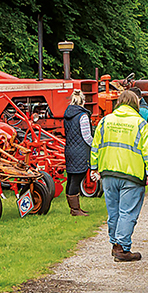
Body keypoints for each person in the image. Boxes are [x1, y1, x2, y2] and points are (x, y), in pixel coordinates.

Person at [90, 90, 148, 262]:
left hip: (108, 173)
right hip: (132, 174)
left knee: (113, 212)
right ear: (135, 103)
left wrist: (94, 168)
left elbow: (95, 146)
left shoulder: (105, 121)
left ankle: (114, 244)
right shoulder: (140, 124)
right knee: (127, 212)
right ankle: (122, 247)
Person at [63, 89, 92, 217]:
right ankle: (75, 209)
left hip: (69, 149)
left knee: (71, 178)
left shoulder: (67, 115)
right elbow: (86, 136)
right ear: (83, 101)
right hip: (80, 150)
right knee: (77, 178)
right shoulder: (82, 116)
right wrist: (95, 144)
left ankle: (75, 208)